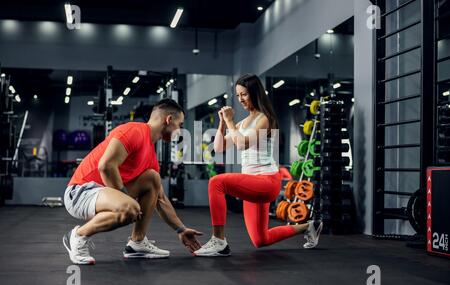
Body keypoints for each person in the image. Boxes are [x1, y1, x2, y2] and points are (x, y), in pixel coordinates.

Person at [194, 74, 322, 257]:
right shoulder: (243, 122)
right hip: (252, 183)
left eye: (244, 94)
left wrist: (230, 122)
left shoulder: (264, 119)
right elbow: (219, 147)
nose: (240, 100)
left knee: (216, 182)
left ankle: (219, 241)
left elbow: (241, 144)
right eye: (238, 95)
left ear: (255, 93)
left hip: (266, 182)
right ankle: (309, 226)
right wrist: (223, 123)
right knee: (260, 239)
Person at [63, 99, 202, 264]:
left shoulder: (150, 154)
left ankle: (137, 243)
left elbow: (161, 199)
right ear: (168, 120)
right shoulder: (133, 130)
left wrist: (181, 229)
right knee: (131, 209)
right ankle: (78, 235)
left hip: (102, 193)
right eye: (180, 124)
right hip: (80, 192)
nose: (180, 130)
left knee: (152, 179)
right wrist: (125, 199)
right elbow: (106, 166)